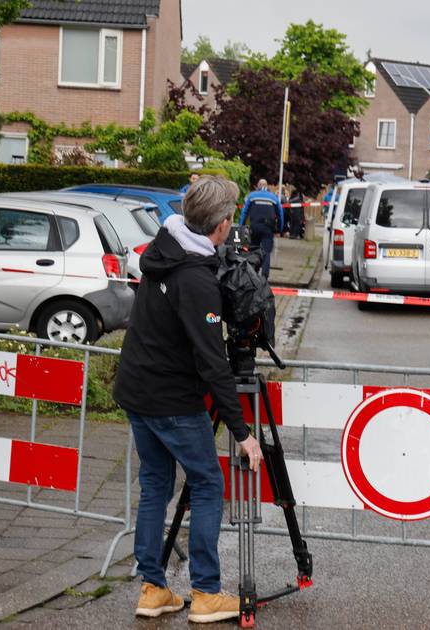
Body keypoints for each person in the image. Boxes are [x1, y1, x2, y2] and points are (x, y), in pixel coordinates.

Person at [113, 175, 264, 624]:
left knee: (155, 483)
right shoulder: (196, 278)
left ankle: (152, 589)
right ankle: (206, 593)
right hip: (172, 399)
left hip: (137, 388)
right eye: (230, 217)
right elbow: (212, 361)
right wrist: (242, 432)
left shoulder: (164, 249)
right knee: (208, 483)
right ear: (221, 225)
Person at [240, 180, 286, 278]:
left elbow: (244, 212)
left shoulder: (251, 196)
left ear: (258, 186)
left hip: (254, 227)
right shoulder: (273, 197)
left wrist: (241, 226)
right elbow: (280, 215)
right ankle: (264, 277)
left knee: (253, 250)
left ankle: (252, 274)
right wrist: (279, 229)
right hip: (268, 228)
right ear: (267, 186)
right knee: (266, 252)